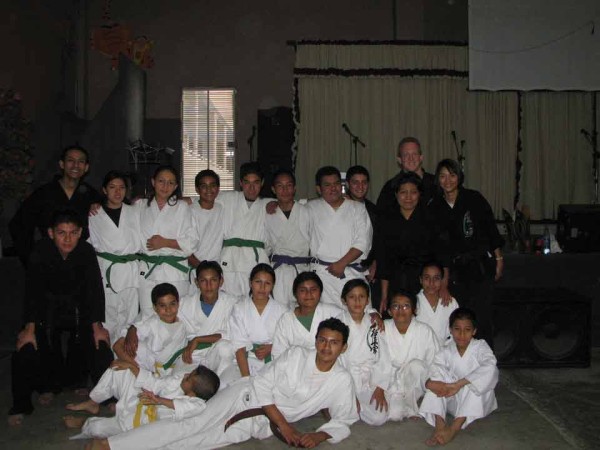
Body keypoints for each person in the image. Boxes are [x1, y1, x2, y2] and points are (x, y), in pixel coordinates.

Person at [90, 318, 358, 450]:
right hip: (245, 397)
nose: (326, 347)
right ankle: (111, 445)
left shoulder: (341, 380)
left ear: (343, 348)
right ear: (316, 341)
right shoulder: (298, 355)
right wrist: (286, 425)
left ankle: (128, 442)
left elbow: (346, 419)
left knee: (197, 443)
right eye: (322, 340)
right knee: (190, 424)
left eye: (334, 343)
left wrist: (319, 435)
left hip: (260, 424)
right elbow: (262, 385)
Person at [8, 209, 112, 426]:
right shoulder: (40, 251)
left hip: (78, 310)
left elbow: (94, 289)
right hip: (44, 311)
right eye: (61, 233)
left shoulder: (85, 250)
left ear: (81, 232)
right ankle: (24, 403)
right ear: (50, 233)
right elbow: (32, 292)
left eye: (73, 233)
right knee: (25, 351)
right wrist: (29, 328)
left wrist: (97, 325)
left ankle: (106, 396)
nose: (67, 239)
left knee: (100, 345)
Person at [428, 159, 504, 347]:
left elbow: (490, 229)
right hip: (454, 271)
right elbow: (439, 247)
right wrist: (443, 280)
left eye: (452, 175)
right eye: (443, 176)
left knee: (482, 318)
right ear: (438, 179)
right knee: (459, 319)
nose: (448, 181)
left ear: (459, 177)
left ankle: (486, 364)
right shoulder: (435, 206)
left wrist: (499, 257)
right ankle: (461, 363)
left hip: (479, 266)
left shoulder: (474, 198)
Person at [63, 360, 220, 439]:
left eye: (189, 378)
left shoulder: (197, 404)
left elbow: (182, 406)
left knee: (97, 429)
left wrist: (158, 400)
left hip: (139, 423)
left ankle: (83, 423)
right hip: (141, 400)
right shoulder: (179, 380)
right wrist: (132, 367)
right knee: (120, 369)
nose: (185, 375)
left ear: (192, 392)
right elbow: (155, 383)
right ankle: (93, 402)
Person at [9, 145, 102, 266]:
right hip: (48, 261)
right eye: (70, 160)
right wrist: (31, 258)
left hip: (81, 262)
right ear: (62, 164)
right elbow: (18, 225)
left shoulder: (92, 195)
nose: (75, 165)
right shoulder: (44, 193)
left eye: (81, 162)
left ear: (86, 167)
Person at [420, 308, 499, 446]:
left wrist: (459, 384)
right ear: (450, 330)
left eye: (467, 329)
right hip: (451, 397)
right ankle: (440, 424)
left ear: (474, 331)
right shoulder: (446, 349)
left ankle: (453, 428)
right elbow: (435, 369)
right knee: (436, 377)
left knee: (475, 381)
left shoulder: (481, 347)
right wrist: (440, 385)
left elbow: (490, 367)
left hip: (476, 402)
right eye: (457, 329)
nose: (462, 334)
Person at [88, 171, 143, 345]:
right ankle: (107, 358)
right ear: (104, 190)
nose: (117, 192)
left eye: (121, 188)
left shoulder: (135, 212)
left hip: (130, 270)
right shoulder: (95, 214)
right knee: (108, 316)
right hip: (107, 271)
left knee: (131, 317)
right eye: (112, 187)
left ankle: (127, 359)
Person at [136, 165, 198, 317]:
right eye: (161, 181)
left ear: (176, 186)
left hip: (174, 272)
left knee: (175, 316)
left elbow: (192, 242)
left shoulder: (182, 207)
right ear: (153, 182)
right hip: (148, 269)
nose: (165, 186)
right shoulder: (140, 206)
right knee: (147, 315)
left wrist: (165, 242)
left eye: (171, 183)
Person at [307, 166, 372, 306]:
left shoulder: (357, 208)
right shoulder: (310, 208)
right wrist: (273, 203)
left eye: (336, 184)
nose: (333, 188)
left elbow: (363, 242)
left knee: (359, 318)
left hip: (351, 273)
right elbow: (288, 208)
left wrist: (341, 263)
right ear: (318, 189)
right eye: (327, 185)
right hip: (322, 274)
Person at [376, 172, 439, 314]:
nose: (408, 197)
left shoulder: (430, 218)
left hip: (423, 282)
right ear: (396, 194)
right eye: (403, 192)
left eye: (413, 192)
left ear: (420, 194)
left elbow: (439, 255)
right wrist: (384, 295)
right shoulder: (387, 220)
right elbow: (383, 259)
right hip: (395, 279)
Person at [220, 263, 287, 385]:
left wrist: (272, 347)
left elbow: (287, 341)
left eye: (267, 283)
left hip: (273, 360)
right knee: (224, 386)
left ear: (272, 286)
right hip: (243, 361)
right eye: (258, 282)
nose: (262, 287)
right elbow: (239, 346)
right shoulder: (239, 308)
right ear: (250, 283)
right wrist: (246, 378)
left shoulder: (283, 311)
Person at [377, 290, 439, 422]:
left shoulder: (424, 331)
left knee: (416, 366)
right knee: (393, 415)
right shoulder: (383, 328)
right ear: (389, 311)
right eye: (395, 306)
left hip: (414, 380)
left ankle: (412, 405)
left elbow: (434, 361)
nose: (401, 310)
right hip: (389, 381)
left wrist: (432, 387)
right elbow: (376, 360)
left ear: (414, 310)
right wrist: (379, 386)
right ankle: (397, 399)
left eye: (406, 306)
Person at [170, 261, 240, 377]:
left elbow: (234, 333)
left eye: (213, 280)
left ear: (221, 281)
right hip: (192, 354)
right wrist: (133, 329)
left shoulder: (233, 303)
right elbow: (159, 317)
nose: (209, 285)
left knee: (225, 348)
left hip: (219, 356)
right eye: (203, 281)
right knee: (178, 383)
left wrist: (199, 339)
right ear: (196, 282)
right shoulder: (185, 303)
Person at [338, 279, 389, 426]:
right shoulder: (338, 322)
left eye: (361, 297)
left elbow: (384, 357)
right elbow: (337, 362)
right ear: (344, 300)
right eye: (352, 297)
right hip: (346, 377)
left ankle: (357, 408)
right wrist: (351, 394)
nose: (357, 301)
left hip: (370, 378)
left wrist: (380, 388)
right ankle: (349, 406)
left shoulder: (374, 322)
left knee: (379, 418)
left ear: (368, 300)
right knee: (343, 412)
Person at [218, 162, 271, 296]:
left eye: (256, 183)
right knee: (227, 301)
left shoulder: (268, 204)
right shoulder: (227, 198)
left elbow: (296, 205)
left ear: (262, 183)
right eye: (247, 182)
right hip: (229, 260)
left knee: (256, 301)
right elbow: (202, 201)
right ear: (241, 183)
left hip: (256, 261)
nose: (251, 188)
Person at [113, 283, 189, 377]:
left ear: (178, 304)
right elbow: (117, 346)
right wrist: (136, 369)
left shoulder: (184, 321)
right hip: (150, 371)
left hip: (176, 371)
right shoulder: (151, 324)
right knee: (136, 347)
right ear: (155, 308)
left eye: (172, 304)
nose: (168, 310)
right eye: (162, 305)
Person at [265, 170, 311, 309]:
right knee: (277, 311)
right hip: (278, 271)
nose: (285, 190)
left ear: (295, 188)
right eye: (280, 186)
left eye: (289, 185)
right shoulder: (267, 213)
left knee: (302, 310)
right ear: (273, 189)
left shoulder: (307, 211)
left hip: (302, 269)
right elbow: (266, 245)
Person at [271, 272, 343, 359]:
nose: (308, 294)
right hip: (295, 369)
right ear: (295, 294)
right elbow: (278, 353)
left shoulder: (334, 313)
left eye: (313, 290)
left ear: (320, 292)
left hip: (329, 368)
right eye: (302, 290)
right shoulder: (286, 320)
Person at [376, 137, 436, 214]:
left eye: (414, 154)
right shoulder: (390, 186)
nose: (411, 158)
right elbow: (381, 216)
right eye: (406, 154)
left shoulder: (435, 182)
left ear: (421, 157)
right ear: (399, 160)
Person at [414, 261, 459, 346]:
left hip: (446, 352)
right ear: (421, 280)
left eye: (436, 278)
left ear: (442, 280)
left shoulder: (451, 302)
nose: (431, 283)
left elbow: (457, 331)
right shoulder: (413, 303)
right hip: (420, 353)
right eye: (427, 278)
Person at [188, 170, 225, 268]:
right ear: (197, 189)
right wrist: (201, 268)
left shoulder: (221, 208)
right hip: (195, 267)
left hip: (217, 267)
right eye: (204, 186)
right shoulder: (189, 211)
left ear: (218, 189)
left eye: (212, 185)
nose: (209, 189)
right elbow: (184, 248)